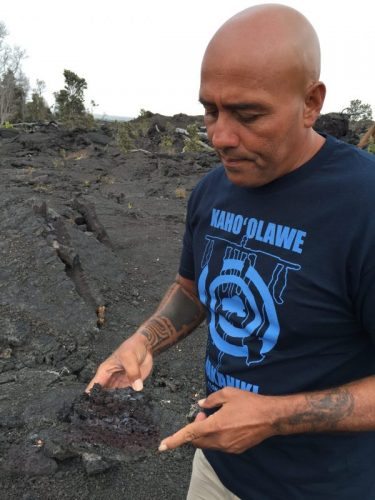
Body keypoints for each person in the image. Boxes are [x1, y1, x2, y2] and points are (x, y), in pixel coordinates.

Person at [87, 4, 375, 499]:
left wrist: (275, 418)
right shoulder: (211, 191)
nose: (220, 136)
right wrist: (141, 342)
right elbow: (192, 288)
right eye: (210, 109)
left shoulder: (363, 206)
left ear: (310, 102)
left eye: (247, 114)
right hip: (218, 472)